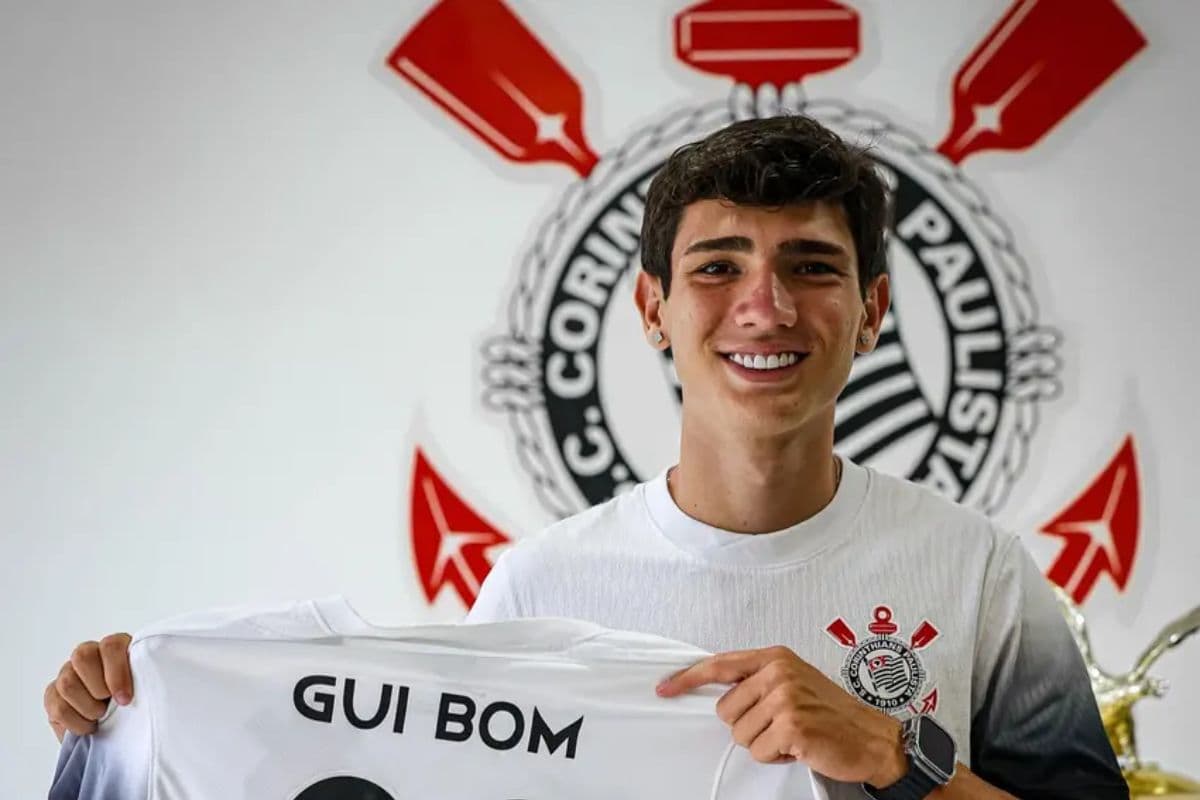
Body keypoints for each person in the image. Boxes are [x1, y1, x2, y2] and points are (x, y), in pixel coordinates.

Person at [44, 115, 1127, 799]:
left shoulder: (980, 573)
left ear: (874, 308)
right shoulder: (539, 583)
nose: (766, 303)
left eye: (812, 264)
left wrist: (897, 757)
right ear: (652, 309)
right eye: (717, 266)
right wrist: (136, 716)